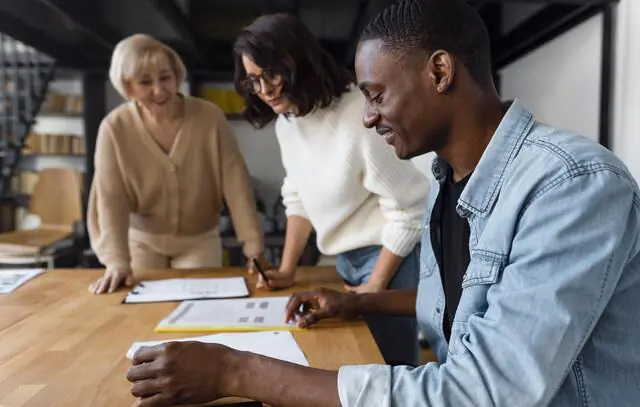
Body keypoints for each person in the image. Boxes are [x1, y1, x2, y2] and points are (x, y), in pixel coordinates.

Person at [125, 0, 640, 406]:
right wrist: (361, 300)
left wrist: (233, 370)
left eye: (376, 95)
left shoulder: (571, 186)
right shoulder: (447, 177)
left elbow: (483, 393)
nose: (368, 117)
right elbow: (452, 307)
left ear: (440, 72)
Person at [233, 14, 430, 366]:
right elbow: (298, 197)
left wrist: (375, 287)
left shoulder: (358, 116)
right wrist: (288, 268)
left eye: (271, 74)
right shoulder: (288, 123)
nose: (264, 90)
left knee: (392, 369)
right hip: (346, 259)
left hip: (390, 259)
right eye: (254, 80)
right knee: (359, 362)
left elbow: (412, 207)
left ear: (298, 62)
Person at [87, 34, 265, 294]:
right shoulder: (114, 128)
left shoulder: (209, 117)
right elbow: (110, 199)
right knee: (140, 316)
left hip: (199, 240)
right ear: (128, 86)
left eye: (165, 77)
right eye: (145, 82)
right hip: (142, 241)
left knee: (201, 313)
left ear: (177, 74)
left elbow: (235, 183)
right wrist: (117, 261)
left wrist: (253, 246)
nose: (159, 90)